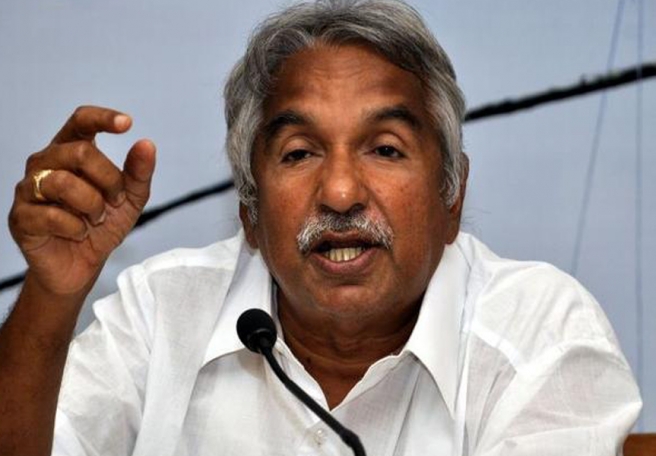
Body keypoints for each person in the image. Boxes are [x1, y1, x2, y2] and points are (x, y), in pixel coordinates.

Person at [0, 0, 641, 455]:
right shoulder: (160, 313)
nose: (339, 192)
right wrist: (53, 294)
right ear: (249, 210)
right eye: (300, 153)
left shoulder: (542, 336)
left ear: (452, 196)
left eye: (385, 149)